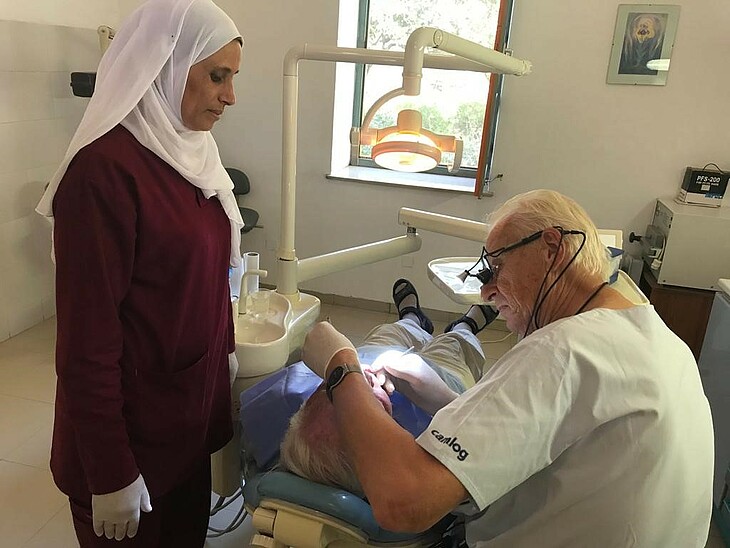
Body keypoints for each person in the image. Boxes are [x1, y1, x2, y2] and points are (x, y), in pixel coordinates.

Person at [301, 190, 715, 547]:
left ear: (551, 247)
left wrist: (342, 367)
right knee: (445, 343)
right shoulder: (659, 337)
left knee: (422, 338)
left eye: (495, 267)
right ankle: (433, 324)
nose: (486, 289)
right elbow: (551, 434)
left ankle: (420, 321)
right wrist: (439, 394)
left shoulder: (563, 349)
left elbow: (405, 503)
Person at [35, 0, 245, 545]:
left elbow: (210, 277)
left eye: (233, 78)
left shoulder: (196, 153)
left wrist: (225, 356)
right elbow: (86, 343)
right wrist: (110, 473)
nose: (230, 96)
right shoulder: (103, 174)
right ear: (164, 66)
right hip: (130, 440)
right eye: (217, 76)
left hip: (183, 429)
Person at [279, 279, 497, 495]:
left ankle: (412, 318)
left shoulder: (290, 430)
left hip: (371, 352)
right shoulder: (434, 455)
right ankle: (466, 326)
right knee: (455, 347)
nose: (362, 376)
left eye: (331, 388)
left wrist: (340, 364)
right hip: (448, 377)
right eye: (369, 400)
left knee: (393, 332)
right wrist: (448, 399)